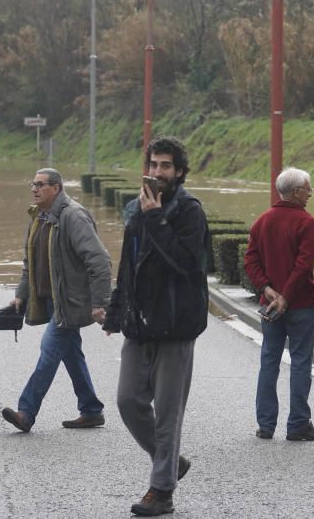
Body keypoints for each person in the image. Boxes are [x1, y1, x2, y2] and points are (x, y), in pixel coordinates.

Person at [104, 137, 210, 517]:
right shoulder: (136, 208)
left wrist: (156, 218)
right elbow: (128, 265)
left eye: (166, 166)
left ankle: (161, 490)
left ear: (179, 172)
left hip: (176, 325)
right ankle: (172, 462)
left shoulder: (189, 212)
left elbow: (186, 262)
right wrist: (116, 311)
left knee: (167, 414)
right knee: (128, 401)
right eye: (153, 165)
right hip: (139, 323)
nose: (157, 173)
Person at [1, 168, 111, 433]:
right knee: (72, 354)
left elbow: (100, 261)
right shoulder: (39, 216)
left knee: (49, 351)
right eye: (33, 184)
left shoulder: (73, 216)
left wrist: (99, 303)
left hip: (69, 302)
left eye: (40, 184)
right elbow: (31, 260)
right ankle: (92, 410)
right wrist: (21, 294)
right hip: (50, 301)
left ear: (56, 188)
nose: (34, 189)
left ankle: (26, 412)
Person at [243, 167, 314, 442]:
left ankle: (265, 425)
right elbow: (303, 266)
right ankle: (298, 425)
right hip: (301, 304)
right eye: (308, 188)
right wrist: (287, 297)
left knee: (269, 360)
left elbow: (250, 260)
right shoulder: (308, 223)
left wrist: (267, 290)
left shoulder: (262, 221)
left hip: (269, 306)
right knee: (301, 362)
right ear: (295, 192)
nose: (310, 193)